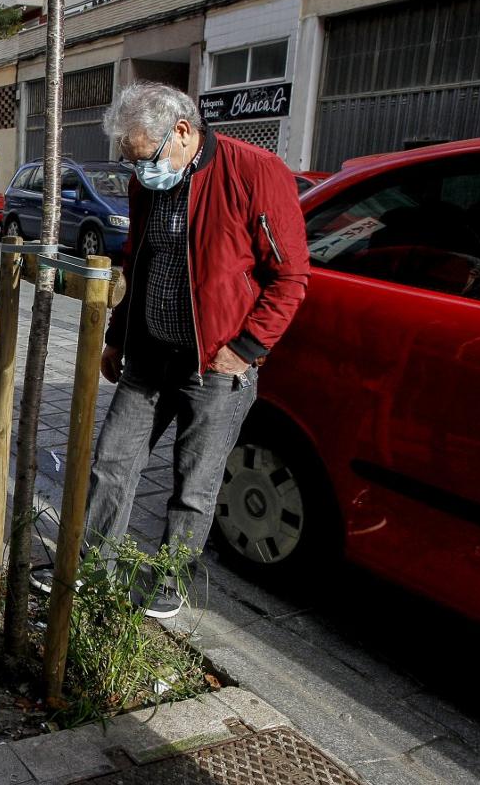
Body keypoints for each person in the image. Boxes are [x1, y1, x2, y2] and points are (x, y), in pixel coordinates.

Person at [83, 81, 310, 618]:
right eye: (131, 162)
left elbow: (292, 276)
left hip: (216, 365)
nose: (139, 172)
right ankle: (96, 571)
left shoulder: (255, 172)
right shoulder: (150, 182)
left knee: (195, 484)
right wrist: (119, 337)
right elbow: (137, 263)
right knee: (111, 463)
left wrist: (247, 348)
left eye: (144, 158)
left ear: (182, 132)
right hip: (149, 357)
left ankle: (168, 583)